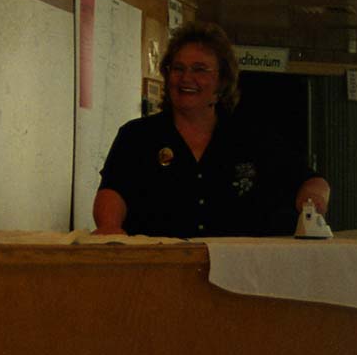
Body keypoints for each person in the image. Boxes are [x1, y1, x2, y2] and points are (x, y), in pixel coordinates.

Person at [92, 22, 329, 238]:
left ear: (222, 81)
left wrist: (312, 201)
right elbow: (113, 191)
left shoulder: (255, 137)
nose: (186, 78)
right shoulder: (137, 137)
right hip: (158, 273)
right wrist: (109, 227)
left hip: (239, 275)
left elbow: (312, 181)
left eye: (200, 69)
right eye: (178, 68)